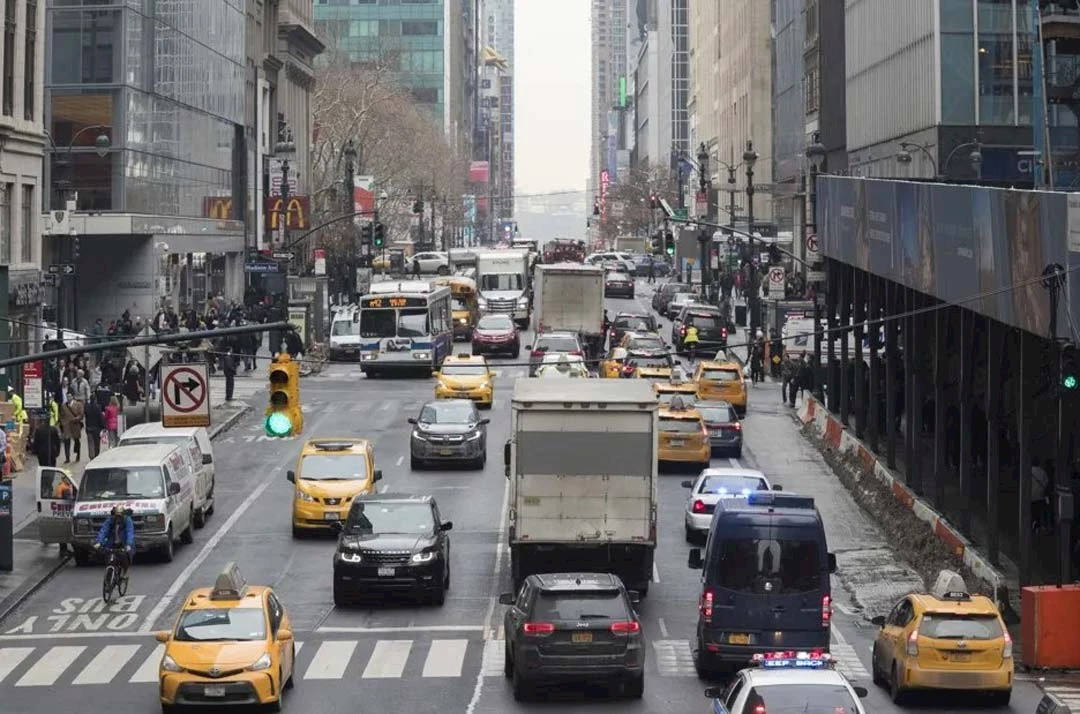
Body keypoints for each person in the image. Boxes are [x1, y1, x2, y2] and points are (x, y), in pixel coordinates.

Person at [94, 505, 135, 580]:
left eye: (120, 516)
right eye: (116, 516)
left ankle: (125, 572)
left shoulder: (127, 520)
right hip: (112, 543)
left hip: (124, 544)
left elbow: (130, 532)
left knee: (124, 557)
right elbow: (104, 530)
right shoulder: (110, 520)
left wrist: (128, 544)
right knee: (108, 557)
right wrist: (99, 542)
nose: (118, 518)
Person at [84, 396, 105, 460]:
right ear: (95, 400)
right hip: (97, 428)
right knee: (97, 443)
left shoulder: (87, 407)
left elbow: (86, 417)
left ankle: (91, 455)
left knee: (90, 443)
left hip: (89, 428)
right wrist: (103, 426)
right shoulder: (98, 407)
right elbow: (100, 418)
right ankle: (96, 455)